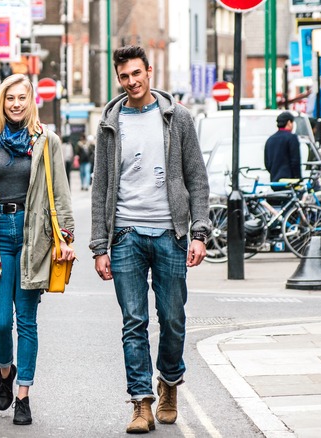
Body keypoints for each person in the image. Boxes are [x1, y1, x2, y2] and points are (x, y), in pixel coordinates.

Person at [89, 45, 210, 434]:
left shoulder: (178, 118)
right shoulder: (110, 123)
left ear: (149, 71)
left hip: (171, 233)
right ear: (118, 78)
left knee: (172, 319)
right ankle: (141, 402)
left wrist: (200, 232)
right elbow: (100, 187)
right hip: (125, 234)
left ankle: (169, 382)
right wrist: (98, 246)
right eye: (124, 76)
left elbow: (197, 178)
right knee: (133, 322)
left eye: (137, 74)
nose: (131, 82)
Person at [0, 73, 75, 426]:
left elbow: (61, 193)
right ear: (1, 101)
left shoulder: (46, 140)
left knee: (27, 320)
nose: (17, 104)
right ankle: (5, 371)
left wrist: (65, 238)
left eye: (23, 97)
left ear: (31, 100)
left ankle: (23, 395)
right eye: (11, 98)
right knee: (0, 322)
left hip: (33, 236)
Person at [264, 111, 301, 182]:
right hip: (289, 182)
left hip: (275, 182)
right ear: (289, 122)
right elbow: (295, 161)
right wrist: (297, 178)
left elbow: (267, 163)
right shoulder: (291, 138)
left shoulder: (270, 139)